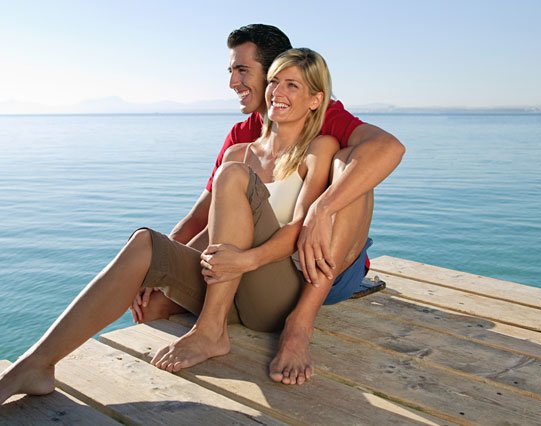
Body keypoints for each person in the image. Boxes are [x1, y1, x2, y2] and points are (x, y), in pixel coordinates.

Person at [0, 47, 339, 409]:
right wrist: (161, 270)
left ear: (315, 99)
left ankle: (210, 332)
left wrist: (245, 261)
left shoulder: (318, 149)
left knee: (233, 175)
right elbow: (211, 228)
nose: (278, 92)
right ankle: (35, 365)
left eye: (294, 85)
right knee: (145, 244)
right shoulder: (240, 151)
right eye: (274, 81)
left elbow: (298, 229)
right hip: (229, 282)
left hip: (272, 293)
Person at [131, 24, 405, 385]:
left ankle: (299, 325)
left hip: (324, 264)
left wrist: (320, 210)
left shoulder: (326, 114)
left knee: (350, 166)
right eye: (230, 71)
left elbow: (390, 148)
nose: (233, 82)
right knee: (153, 306)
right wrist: (158, 270)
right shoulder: (241, 137)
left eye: (242, 70)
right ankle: (221, 323)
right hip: (262, 266)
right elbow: (202, 216)